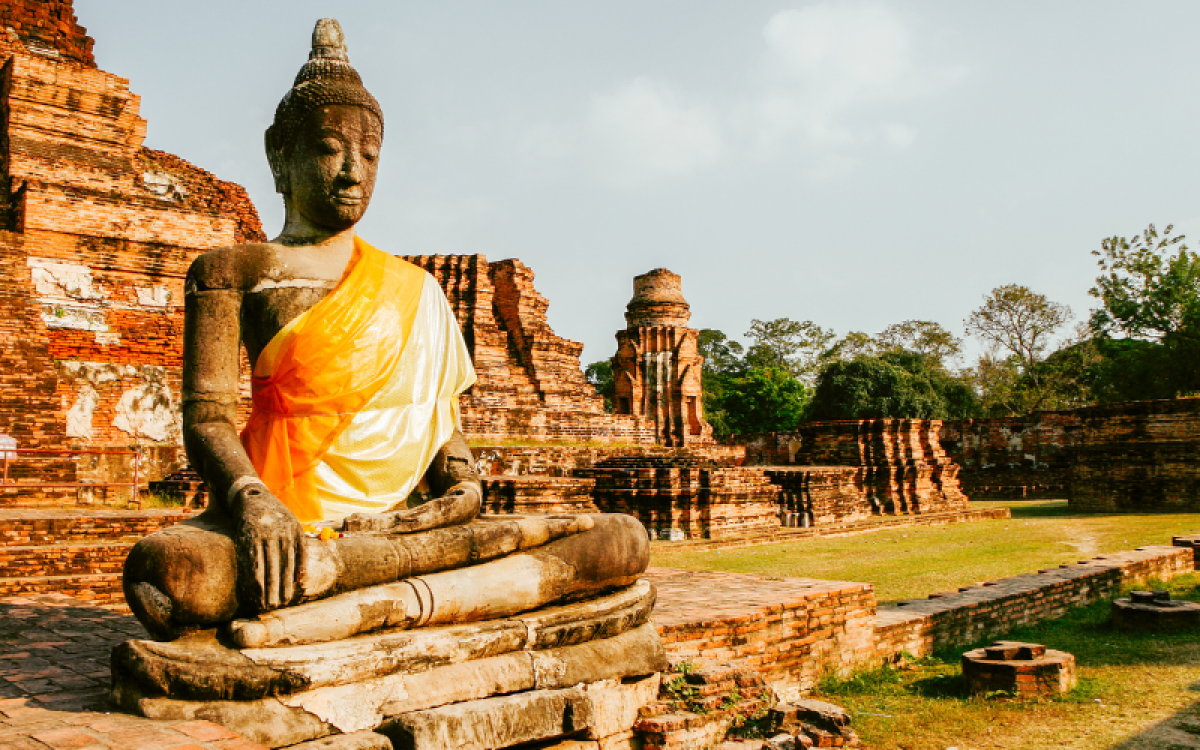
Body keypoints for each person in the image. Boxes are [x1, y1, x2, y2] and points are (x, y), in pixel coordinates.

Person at [123, 19, 647, 642]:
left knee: (619, 539)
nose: (352, 172)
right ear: (277, 153)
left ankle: (348, 597)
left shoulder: (416, 289)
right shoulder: (232, 271)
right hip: (286, 521)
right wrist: (253, 501)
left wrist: (464, 491)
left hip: (399, 533)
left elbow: (441, 441)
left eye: (369, 154)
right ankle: (417, 598)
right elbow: (207, 416)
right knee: (177, 572)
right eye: (328, 148)